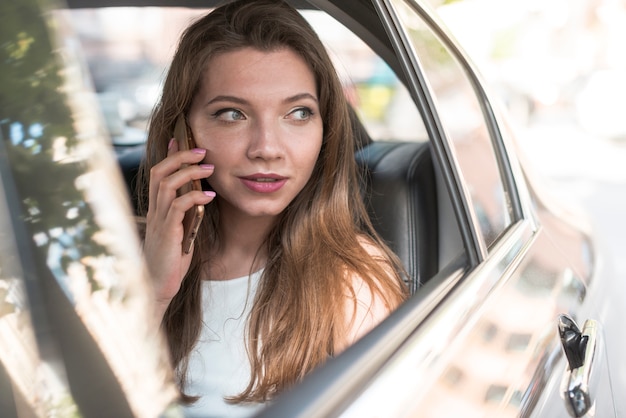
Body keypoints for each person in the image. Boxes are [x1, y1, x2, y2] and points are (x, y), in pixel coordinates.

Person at [137, 0, 408, 416]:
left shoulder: (352, 283)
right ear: (182, 131)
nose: (266, 148)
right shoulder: (121, 257)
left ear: (325, 126)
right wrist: (153, 292)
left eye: (298, 113)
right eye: (232, 114)